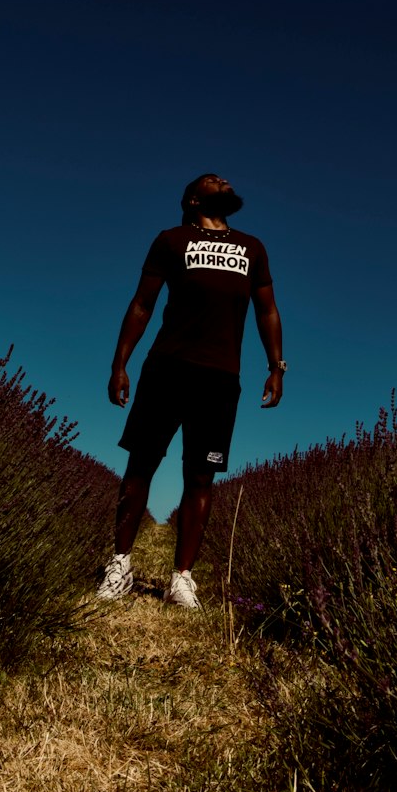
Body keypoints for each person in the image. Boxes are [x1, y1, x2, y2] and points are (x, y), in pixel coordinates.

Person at [97, 172, 285, 608]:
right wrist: (119, 363)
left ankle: (181, 579)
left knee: (201, 476)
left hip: (220, 378)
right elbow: (142, 303)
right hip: (166, 368)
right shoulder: (171, 240)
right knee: (140, 465)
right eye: (213, 179)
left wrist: (277, 367)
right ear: (194, 199)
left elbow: (268, 310)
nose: (224, 180)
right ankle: (120, 564)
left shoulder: (253, 247)